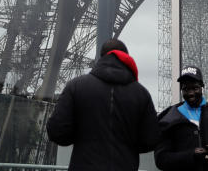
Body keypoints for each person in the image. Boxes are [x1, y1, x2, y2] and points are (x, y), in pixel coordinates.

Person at [46, 38, 160, 170]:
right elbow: (150, 140)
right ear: (126, 58)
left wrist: (82, 138)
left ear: (101, 57)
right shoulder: (141, 94)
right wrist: (127, 146)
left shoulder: (75, 86)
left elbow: (57, 132)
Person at [155, 65, 208, 171]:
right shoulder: (169, 119)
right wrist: (191, 155)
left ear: (202, 87)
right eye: (186, 89)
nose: (191, 93)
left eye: (195, 88)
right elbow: (161, 160)